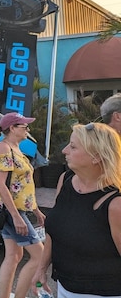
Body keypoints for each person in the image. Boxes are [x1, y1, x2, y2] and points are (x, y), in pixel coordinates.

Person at [34, 122, 121, 297]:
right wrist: (41, 269)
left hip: (103, 293)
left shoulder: (115, 203)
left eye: (73, 147)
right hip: (64, 286)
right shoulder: (65, 180)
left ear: (96, 157)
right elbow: (54, 231)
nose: (64, 151)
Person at [0, 112, 46, 298]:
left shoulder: (16, 148)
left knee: (14, 256)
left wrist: (36, 209)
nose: (28, 130)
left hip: (19, 208)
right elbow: (0, 183)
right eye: (24, 127)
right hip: (11, 210)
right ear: (12, 128)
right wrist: (15, 216)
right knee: (39, 256)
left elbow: (23, 185)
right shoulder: (2, 148)